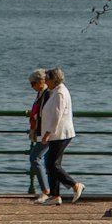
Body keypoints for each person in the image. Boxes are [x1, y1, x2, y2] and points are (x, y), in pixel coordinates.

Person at [36, 67, 85, 204]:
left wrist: (47, 133)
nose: (45, 82)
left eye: (47, 79)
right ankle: (55, 195)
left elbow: (57, 116)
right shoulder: (55, 91)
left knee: (52, 164)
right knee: (52, 164)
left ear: (54, 80)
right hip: (56, 134)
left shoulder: (60, 94)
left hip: (61, 134)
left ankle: (75, 185)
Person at [26, 68, 50, 199]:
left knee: (35, 158)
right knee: (51, 163)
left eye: (33, 83)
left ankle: (46, 191)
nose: (32, 87)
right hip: (43, 132)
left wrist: (46, 134)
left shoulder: (47, 94)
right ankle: (50, 191)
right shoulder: (41, 94)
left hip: (47, 133)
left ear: (41, 81)